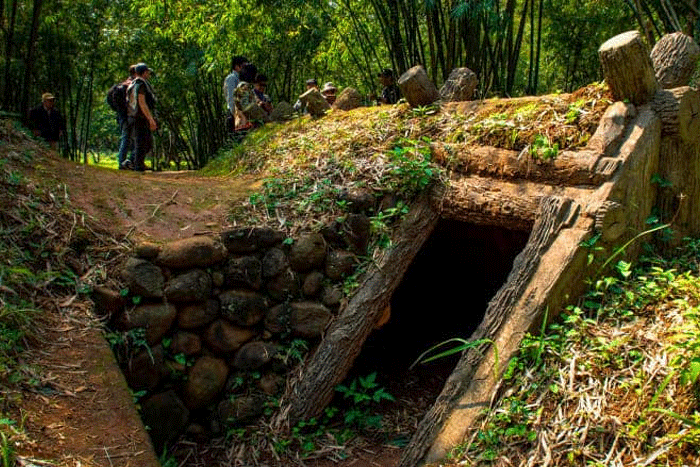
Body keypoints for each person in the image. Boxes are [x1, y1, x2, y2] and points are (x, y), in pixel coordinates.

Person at [126, 62, 157, 172]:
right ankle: (137, 165)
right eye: (147, 72)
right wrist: (150, 119)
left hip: (133, 116)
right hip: (139, 116)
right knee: (142, 142)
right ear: (144, 72)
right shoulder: (141, 84)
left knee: (145, 142)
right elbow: (141, 102)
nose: (148, 74)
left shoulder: (132, 83)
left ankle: (134, 162)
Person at [115, 64, 136, 170]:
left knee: (127, 139)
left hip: (122, 116)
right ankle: (125, 163)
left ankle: (124, 163)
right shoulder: (130, 85)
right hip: (128, 116)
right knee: (129, 139)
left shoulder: (123, 84)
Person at [224, 55, 249, 129]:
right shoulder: (232, 78)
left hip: (242, 114)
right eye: (244, 66)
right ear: (237, 67)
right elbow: (231, 98)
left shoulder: (241, 78)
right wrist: (236, 117)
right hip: (234, 116)